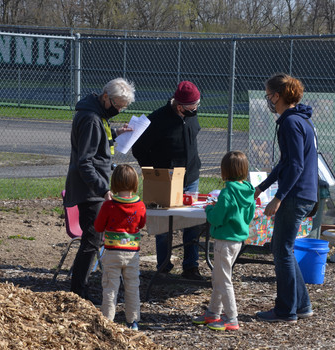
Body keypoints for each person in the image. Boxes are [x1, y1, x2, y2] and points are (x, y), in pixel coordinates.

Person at [254, 73, 318, 323]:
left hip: (295, 195)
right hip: (303, 194)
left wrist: (278, 197)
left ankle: (285, 310)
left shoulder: (291, 123)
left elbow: (295, 166)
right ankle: (301, 305)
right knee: (285, 250)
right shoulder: (300, 120)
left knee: (280, 249)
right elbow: (286, 162)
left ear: (277, 96)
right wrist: (263, 186)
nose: (268, 99)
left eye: (269, 94)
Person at [64, 77, 135, 301]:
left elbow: (97, 140)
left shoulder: (97, 115)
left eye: (123, 107)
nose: (119, 109)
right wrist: (103, 188)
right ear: (106, 97)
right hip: (90, 191)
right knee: (92, 240)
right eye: (117, 105)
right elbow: (85, 161)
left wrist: (114, 132)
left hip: (94, 188)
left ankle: (79, 286)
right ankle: (78, 292)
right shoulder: (91, 119)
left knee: (93, 240)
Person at [132, 80, 204, 281]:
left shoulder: (191, 117)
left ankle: (191, 266)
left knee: (192, 222)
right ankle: (163, 264)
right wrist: (154, 172)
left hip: (190, 177)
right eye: (193, 106)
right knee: (164, 225)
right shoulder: (156, 120)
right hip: (165, 179)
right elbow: (138, 149)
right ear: (179, 106)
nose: (196, 109)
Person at [192, 151, 255, 331]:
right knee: (219, 277)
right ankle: (213, 312)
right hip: (237, 241)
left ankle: (231, 317)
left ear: (224, 171)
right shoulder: (248, 191)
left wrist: (209, 210)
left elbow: (217, 218)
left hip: (224, 240)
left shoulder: (227, 193)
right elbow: (249, 215)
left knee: (223, 279)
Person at [94, 164, 146, 331]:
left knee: (110, 287)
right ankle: (133, 321)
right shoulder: (140, 205)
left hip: (112, 253)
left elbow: (98, 226)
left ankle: (108, 321)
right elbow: (142, 223)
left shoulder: (109, 206)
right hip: (132, 254)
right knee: (132, 287)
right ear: (135, 183)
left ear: (114, 183)